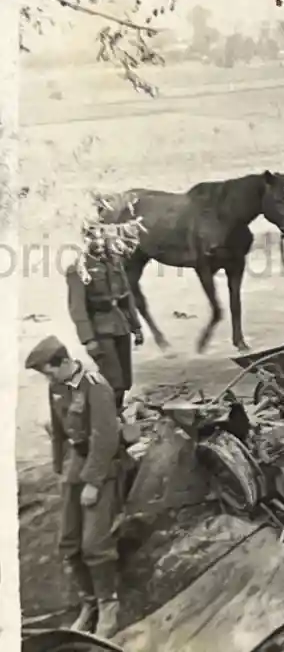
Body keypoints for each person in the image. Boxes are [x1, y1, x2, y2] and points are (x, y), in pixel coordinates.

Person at [25, 335, 125, 638]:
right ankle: (89, 602)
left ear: (65, 362)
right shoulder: (55, 386)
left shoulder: (96, 386)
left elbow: (105, 438)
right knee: (68, 542)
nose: (48, 378)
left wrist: (93, 483)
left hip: (103, 467)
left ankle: (109, 605)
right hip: (74, 466)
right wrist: (60, 470)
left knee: (94, 544)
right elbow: (58, 433)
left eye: (50, 371)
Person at [67, 226, 144, 412]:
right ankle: (107, 418)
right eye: (94, 239)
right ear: (85, 241)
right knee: (113, 380)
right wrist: (88, 340)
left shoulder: (114, 263)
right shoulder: (79, 269)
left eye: (102, 238)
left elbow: (126, 297)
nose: (100, 243)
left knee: (125, 380)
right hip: (100, 329)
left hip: (121, 325)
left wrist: (136, 326)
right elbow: (78, 308)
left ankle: (117, 413)